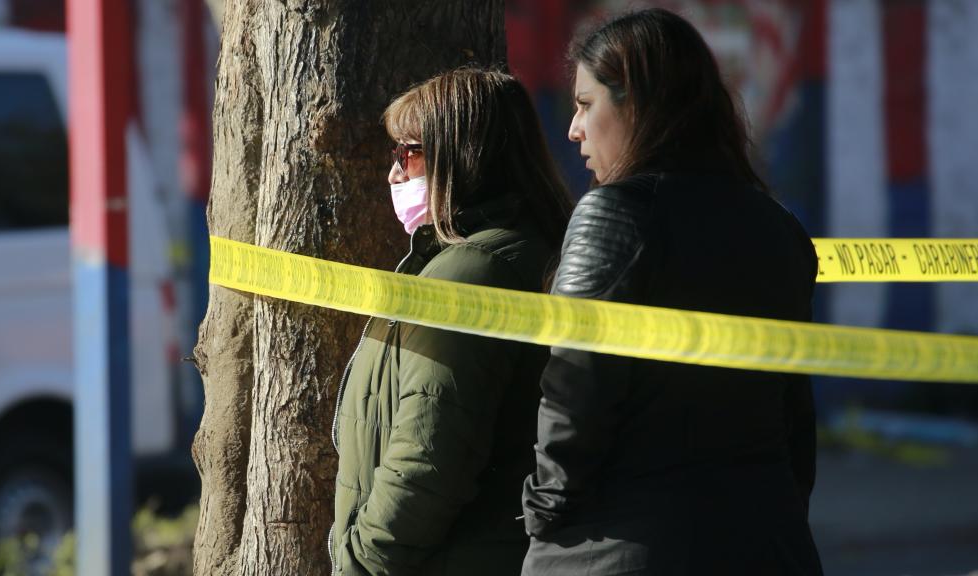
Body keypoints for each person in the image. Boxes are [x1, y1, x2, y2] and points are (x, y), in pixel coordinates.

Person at [520, 8, 824, 576]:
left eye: (586, 104)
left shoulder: (615, 213)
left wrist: (543, 510)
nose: (573, 129)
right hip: (769, 541)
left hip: (626, 545)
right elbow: (794, 416)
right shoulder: (778, 227)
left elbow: (576, 388)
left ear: (635, 105)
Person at [329, 68, 575, 576]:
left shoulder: (469, 274)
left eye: (409, 154)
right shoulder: (516, 252)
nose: (393, 174)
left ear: (462, 156)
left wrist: (358, 562)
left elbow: (426, 463)